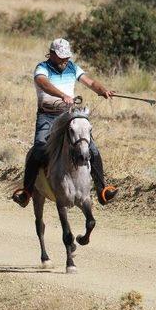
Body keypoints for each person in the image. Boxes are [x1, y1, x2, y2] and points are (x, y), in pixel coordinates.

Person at [12, 38, 118, 208]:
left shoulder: (72, 67)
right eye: (61, 57)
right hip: (47, 116)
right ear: (52, 54)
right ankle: (27, 192)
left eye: (67, 57)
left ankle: (102, 190)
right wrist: (62, 95)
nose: (65, 60)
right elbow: (43, 84)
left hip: (68, 117)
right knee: (38, 149)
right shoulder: (42, 68)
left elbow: (90, 82)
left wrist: (102, 90)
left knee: (92, 148)